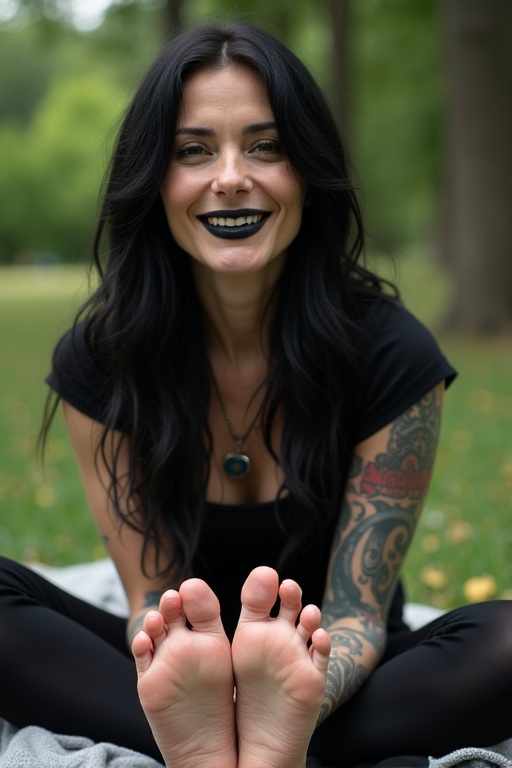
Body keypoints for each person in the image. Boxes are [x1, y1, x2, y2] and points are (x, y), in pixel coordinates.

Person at [1, 20, 511, 768]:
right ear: (157, 180)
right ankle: (214, 743)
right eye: (194, 150)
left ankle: (260, 746)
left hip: (337, 676)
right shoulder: (102, 360)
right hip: (179, 688)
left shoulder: (392, 353)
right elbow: (152, 594)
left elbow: (358, 615)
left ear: (307, 173)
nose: (231, 176)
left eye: (266, 147)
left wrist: (298, 693)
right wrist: (192, 684)